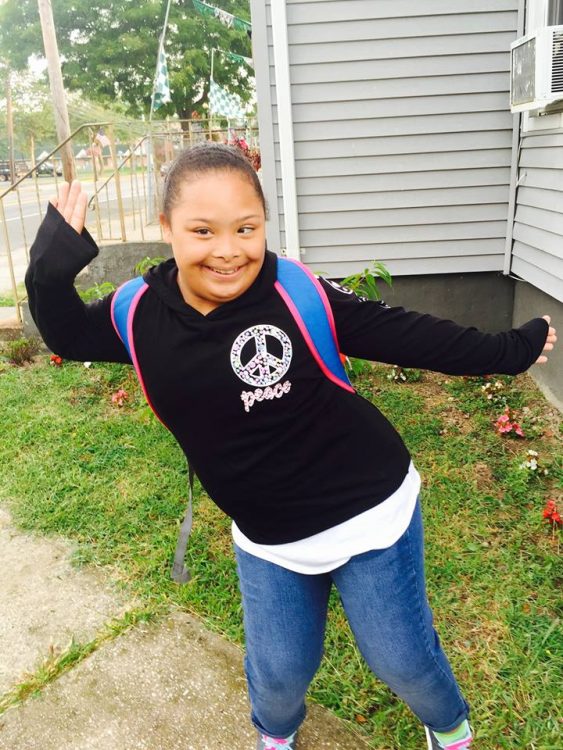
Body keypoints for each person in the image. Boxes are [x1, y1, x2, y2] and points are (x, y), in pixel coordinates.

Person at [25, 143, 557, 750]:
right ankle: (275, 736)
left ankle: (450, 727)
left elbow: (407, 334)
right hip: (267, 536)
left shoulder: (296, 293)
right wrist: (51, 263)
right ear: (166, 228)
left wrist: (507, 351)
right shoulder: (138, 312)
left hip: (369, 513)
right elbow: (65, 331)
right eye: (203, 230)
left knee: (400, 661)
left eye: (246, 229)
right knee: (279, 675)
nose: (228, 250)